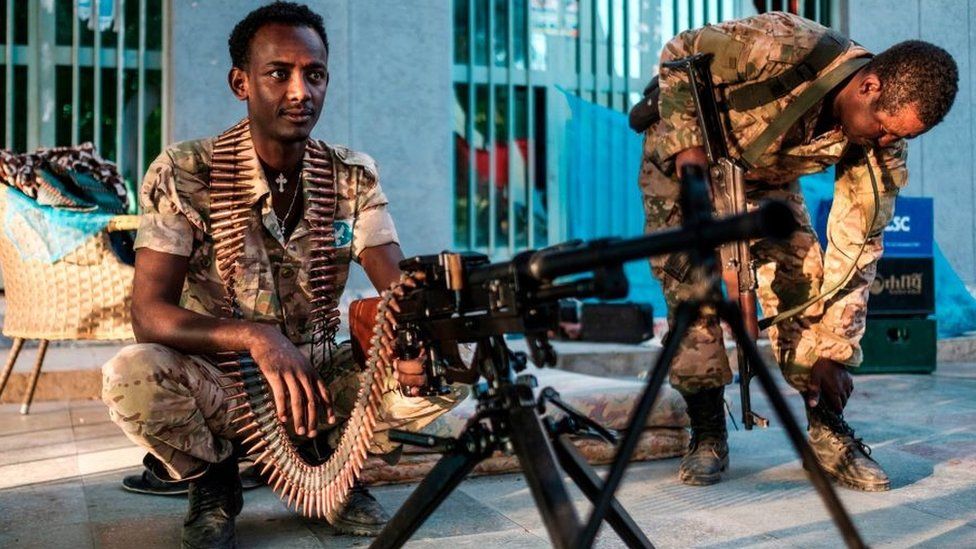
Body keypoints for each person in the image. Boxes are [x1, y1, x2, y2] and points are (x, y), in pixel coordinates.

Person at [101, 2, 464, 547]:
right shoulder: (184, 172)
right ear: (240, 82)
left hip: (320, 379)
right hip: (225, 380)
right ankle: (214, 480)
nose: (301, 91)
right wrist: (255, 336)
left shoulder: (351, 176)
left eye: (314, 74)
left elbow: (393, 281)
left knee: (449, 368)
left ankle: (333, 466)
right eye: (279, 73)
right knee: (131, 376)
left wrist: (423, 329)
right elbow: (149, 313)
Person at [638, 11, 957, 491]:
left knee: (804, 282)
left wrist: (833, 351)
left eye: (902, 137)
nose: (888, 142)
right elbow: (680, 52)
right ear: (868, 86)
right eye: (886, 129)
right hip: (690, 166)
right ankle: (706, 429)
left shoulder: (882, 147)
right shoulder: (785, 45)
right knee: (693, 290)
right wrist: (689, 156)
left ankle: (826, 428)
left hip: (765, 178)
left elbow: (858, 248)